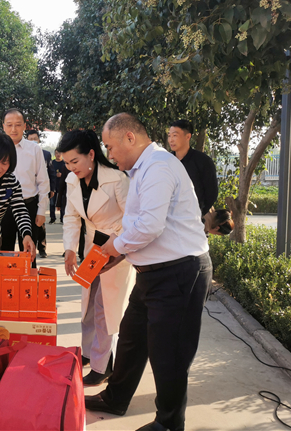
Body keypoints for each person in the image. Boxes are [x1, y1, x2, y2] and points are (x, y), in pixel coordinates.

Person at [86, 113, 212, 431]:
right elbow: (138, 224)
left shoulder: (158, 167)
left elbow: (150, 226)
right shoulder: (143, 169)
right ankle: (115, 397)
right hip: (153, 273)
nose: (109, 155)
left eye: (110, 146)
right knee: (132, 337)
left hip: (178, 273)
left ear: (130, 138)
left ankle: (169, 423)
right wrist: (119, 251)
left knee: (168, 352)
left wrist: (115, 247)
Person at [59, 130, 136, 386]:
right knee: (89, 304)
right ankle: (89, 353)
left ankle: (103, 366)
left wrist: (117, 246)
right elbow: (71, 216)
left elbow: (133, 220)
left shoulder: (117, 179)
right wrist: (70, 249)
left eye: (75, 161)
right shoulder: (73, 180)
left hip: (117, 248)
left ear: (91, 154)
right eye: (67, 163)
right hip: (92, 248)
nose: (71, 168)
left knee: (106, 308)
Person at [1, 109, 50, 268]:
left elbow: (43, 181)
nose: (13, 129)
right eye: (9, 125)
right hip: (3, 208)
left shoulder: (34, 149)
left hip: (28, 206)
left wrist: (41, 211)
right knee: (4, 253)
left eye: (17, 125)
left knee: (28, 253)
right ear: (3, 126)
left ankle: (29, 282)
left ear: (24, 126)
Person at [168, 119, 218, 217]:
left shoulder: (203, 161)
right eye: (169, 136)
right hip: (168, 218)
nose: (171, 140)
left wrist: (198, 214)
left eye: (175, 135)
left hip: (193, 218)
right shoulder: (166, 161)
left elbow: (211, 193)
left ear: (188, 137)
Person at [26, 129, 55, 258]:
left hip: (42, 192)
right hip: (29, 193)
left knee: (40, 222)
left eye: (35, 139)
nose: (33, 141)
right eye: (30, 139)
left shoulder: (46, 154)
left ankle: (42, 248)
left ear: (38, 140)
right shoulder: (23, 153)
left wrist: (52, 189)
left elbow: (51, 173)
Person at [52, 149, 66, 223]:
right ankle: (52, 218)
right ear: (54, 154)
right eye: (56, 153)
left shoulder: (65, 163)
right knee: (52, 203)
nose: (58, 154)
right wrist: (55, 175)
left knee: (62, 203)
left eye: (59, 153)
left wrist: (62, 175)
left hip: (62, 186)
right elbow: (49, 173)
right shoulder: (52, 163)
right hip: (53, 185)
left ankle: (62, 218)